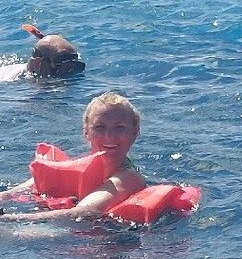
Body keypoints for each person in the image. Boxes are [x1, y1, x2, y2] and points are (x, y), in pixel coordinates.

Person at [0, 92, 147, 223]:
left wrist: (9, 219)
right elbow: (32, 185)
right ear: (86, 133)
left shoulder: (129, 179)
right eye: (99, 127)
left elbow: (84, 212)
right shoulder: (81, 164)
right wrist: (4, 196)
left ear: (134, 132)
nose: (109, 136)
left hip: (100, 239)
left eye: (120, 127)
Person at [0, 24, 86, 82]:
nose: (70, 73)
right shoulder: (9, 84)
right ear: (37, 64)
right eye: (61, 68)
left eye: (77, 67)